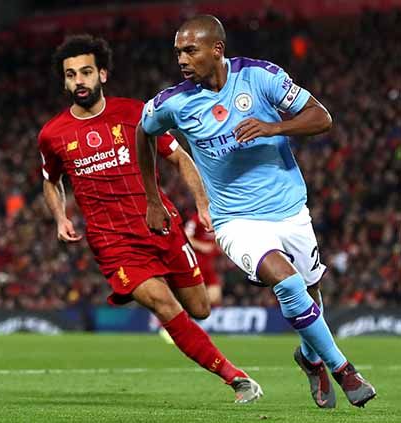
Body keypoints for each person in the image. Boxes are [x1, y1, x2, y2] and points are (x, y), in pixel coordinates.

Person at [138, 15, 376, 408]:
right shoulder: (173, 102)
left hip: (289, 210)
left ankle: (311, 358)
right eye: (178, 51)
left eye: (190, 50)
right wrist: (151, 196)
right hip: (236, 220)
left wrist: (272, 128)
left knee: (310, 293)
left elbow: (322, 118)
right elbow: (142, 132)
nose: (181, 58)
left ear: (217, 49)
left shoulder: (260, 77)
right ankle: (343, 369)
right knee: (286, 282)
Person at [39, 34, 262, 403]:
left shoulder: (136, 113)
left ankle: (192, 329)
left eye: (86, 72)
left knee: (200, 309)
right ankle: (235, 377)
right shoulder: (53, 134)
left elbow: (179, 157)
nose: (79, 81)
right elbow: (50, 181)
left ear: (103, 75)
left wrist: (202, 203)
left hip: (160, 226)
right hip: (114, 243)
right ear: (64, 81)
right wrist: (60, 216)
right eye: (70, 75)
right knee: (162, 304)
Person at [184, 212, 223, 306]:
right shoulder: (196, 218)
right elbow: (185, 237)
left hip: (211, 267)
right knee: (191, 297)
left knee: (216, 297)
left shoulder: (220, 218)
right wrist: (202, 246)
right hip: (196, 265)